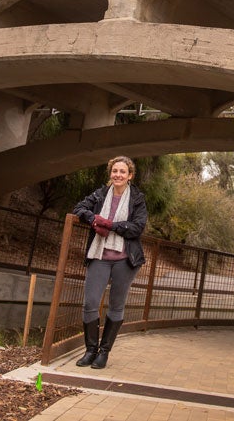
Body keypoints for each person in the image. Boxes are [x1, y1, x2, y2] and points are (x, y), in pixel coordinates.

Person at [71, 155, 147, 369]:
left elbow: (137, 227)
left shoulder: (137, 198)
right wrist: (94, 219)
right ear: (110, 173)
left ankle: (104, 353)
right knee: (90, 303)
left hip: (125, 259)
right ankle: (90, 350)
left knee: (116, 305)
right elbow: (79, 208)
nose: (118, 175)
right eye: (115, 171)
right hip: (100, 256)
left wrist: (111, 225)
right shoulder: (101, 193)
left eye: (122, 172)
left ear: (130, 175)